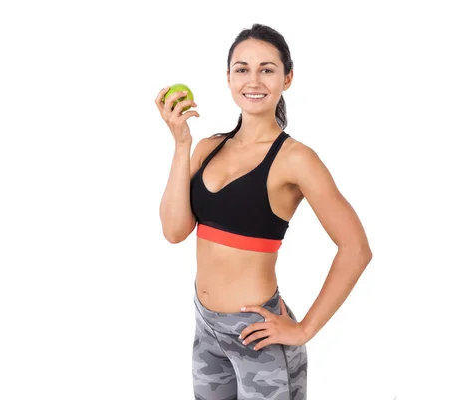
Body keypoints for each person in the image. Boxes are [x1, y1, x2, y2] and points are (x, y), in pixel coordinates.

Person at [156, 23, 372, 400]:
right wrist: (181, 144)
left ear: (287, 78)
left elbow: (356, 249)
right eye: (242, 69)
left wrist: (304, 329)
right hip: (206, 329)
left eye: (267, 69)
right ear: (228, 77)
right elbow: (175, 231)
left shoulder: (296, 160)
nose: (253, 80)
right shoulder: (207, 147)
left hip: (258, 335)